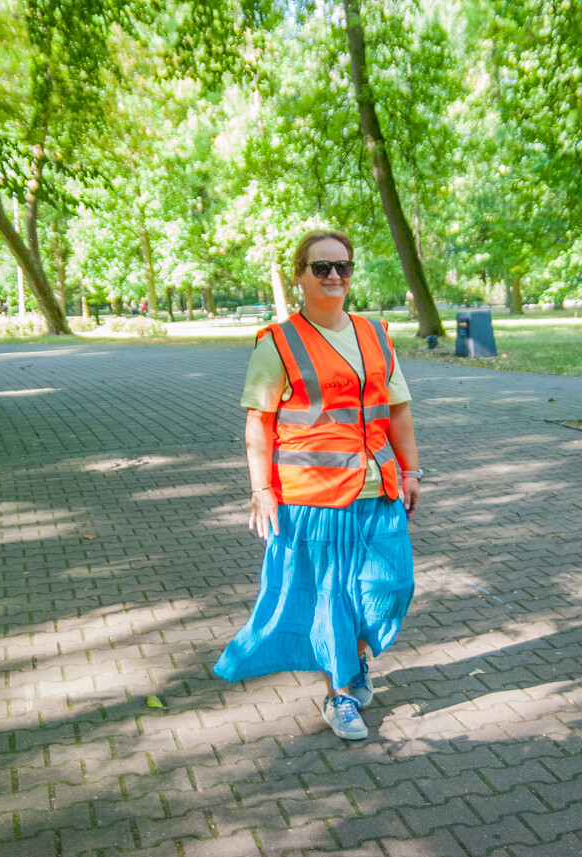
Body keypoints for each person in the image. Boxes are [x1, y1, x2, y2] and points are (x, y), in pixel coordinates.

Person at [214, 229, 423, 741]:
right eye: (321, 267)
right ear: (300, 276)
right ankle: (339, 693)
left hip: (379, 488)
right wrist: (261, 489)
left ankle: (354, 657)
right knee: (331, 598)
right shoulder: (279, 342)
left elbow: (398, 410)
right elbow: (259, 423)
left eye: (342, 266)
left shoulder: (375, 334)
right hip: (314, 496)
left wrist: (411, 470)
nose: (334, 276)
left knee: (392, 585)